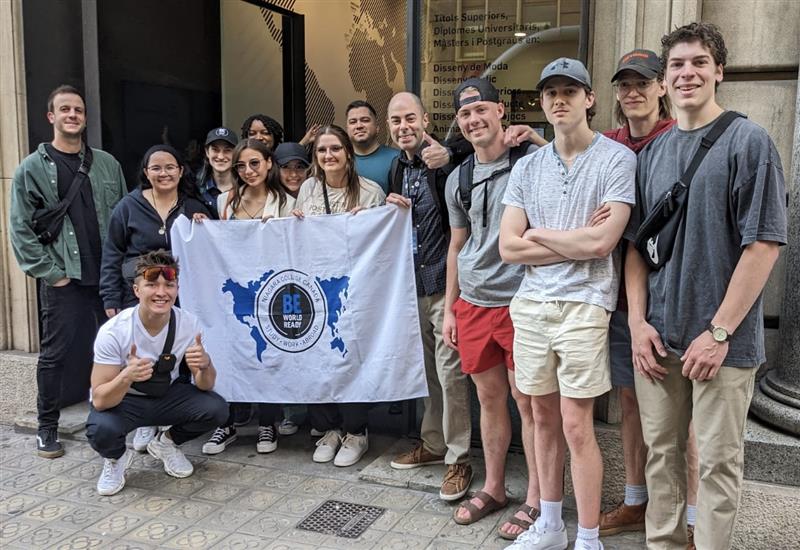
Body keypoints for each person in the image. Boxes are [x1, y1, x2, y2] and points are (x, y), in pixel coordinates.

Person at [624, 23, 786, 550]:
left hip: (725, 344)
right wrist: (637, 324)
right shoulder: (650, 156)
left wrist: (718, 333)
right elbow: (635, 250)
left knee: (718, 462)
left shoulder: (749, 141)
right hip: (659, 340)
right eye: (677, 65)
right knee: (661, 456)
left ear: (720, 71)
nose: (687, 72)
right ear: (664, 81)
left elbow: (763, 246)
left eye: (698, 62)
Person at [500, 58, 637, 550]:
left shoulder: (617, 160)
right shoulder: (528, 167)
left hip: (585, 304)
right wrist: (571, 237)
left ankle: (589, 536)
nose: (560, 99)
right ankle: (551, 526)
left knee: (578, 422)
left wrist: (539, 232)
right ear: (541, 102)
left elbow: (603, 245)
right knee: (538, 414)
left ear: (589, 98)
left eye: (570, 90)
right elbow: (508, 247)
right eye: (551, 92)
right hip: (532, 304)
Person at [599, 49, 700, 545]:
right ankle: (636, 500)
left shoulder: (680, 140)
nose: (633, 92)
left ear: (662, 87)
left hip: (675, 297)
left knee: (688, 418)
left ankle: (696, 518)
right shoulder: (610, 144)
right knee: (631, 404)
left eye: (643, 83)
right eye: (624, 85)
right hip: (620, 300)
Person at [442, 78, 542, 540]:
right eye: (465, 114)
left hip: (522, 301)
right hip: (474, 303)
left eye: (481, 109)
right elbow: (456, 245)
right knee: (489, 399)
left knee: (530, 402)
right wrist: (450, 308)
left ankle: (539, 500)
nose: (474, 119)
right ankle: (496, 487)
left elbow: (572, 164)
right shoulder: (456, 178)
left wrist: (537, 137)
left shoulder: (530, 161)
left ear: (501, 112)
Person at [8, 84, 127, 458]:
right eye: (65, 109)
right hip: (65, 279)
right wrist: (51, 273)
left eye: (78, 110)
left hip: (106, 277)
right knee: (55, 354)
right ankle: (47, 426)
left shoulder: (107, 164)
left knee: (117, 350)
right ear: (51, 117)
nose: (72, 115)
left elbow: (123, 217)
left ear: (85, 117)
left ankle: (118, 420)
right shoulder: (31, 168)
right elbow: (20, 228)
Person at [383, 92, 472, 502]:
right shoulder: (396, 170)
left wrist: (450, 160)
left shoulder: (444, 158)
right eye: (396, 121)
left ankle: (459, 458)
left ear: (424, 120)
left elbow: (474, 150)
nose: (404, 127)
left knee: (452, 376)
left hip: (445, 288)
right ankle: (434, 444)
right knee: (430, 375)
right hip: (411, 289)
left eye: (409, 119)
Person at [86, 250, 228, 496]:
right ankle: (116, 458)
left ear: (177, 289)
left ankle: (167, 442)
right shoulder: (114, 332)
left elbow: (206, 385)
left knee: (217, 409)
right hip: (125, 401)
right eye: (152, 284)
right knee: (100, 429)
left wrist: (205, 364)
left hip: (167, 396)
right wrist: (126, 376)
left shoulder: (188, 324)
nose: (161, 292)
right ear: (136, 290)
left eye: (169, 285)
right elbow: (99, 399)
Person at [100, 144, 210, 452]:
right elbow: (112, 252)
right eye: (156, 168)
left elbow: (212, 249)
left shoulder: (192, 206)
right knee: (139, 357)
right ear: (146, 173)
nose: (164, 173)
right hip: (135, 294)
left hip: (180, 295)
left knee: (177, 357)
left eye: (170, 167)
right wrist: (110, 295)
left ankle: (168, 425)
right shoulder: (128, 206)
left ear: (181, 171)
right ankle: (143, 423)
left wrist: (205, 224)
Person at [292, 125, 385, 466]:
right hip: (316, 291)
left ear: (348, 152)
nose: (328, 156)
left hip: (356, 292)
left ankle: (356, 431)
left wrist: (369, 220)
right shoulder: (308, 189)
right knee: (317, 360)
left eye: (334, 149)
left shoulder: (370, 191)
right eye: (321, 150)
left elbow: (381, 241)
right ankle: (328, 429)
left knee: (350, 359)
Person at [200, 138, 288, 455]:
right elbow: (217, 245)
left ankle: (268, 422)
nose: (248, 170)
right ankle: (227, 424)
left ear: (268, 163)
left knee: (266, 354)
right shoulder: (226, 200)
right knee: (230, 354)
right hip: (236, 293)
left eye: (254, 163)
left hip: (271, 292)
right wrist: (202, 228)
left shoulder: (285, 201)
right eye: (242, 165)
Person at [272, 141, 312, 436]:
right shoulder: (270, 198)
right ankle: (291, 412)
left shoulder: (315, 194)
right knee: (286, 345)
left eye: (300, 167)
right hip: (281, 281)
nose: (294, 174)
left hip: (311, 279)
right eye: (287, 168)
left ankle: (318, 414)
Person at [346, 100, 399, 193]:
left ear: (377, 128)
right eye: (353, 122)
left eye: (365, 120)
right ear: (347, 130)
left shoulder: (397, 158)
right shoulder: (340, 160)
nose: (359, 126)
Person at [196, 127, 238, 219]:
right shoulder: (197, 187)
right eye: (215, 150)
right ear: (207, 152)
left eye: (227, 150)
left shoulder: (245, 187)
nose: (221, 156)